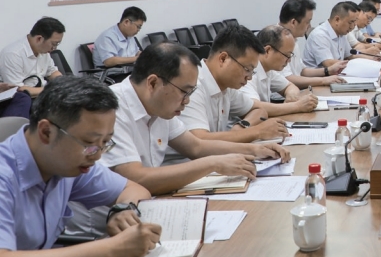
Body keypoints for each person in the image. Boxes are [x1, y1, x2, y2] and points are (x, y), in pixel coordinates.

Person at [66, 43, 290, 236]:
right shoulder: (112, 109)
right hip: (100, 232)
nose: (187, 101)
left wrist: (253, 150)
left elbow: (196, 146)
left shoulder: (159, 106)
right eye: (185, 92)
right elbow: (136, 178)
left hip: (143, 214)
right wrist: (214, 164)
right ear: (153, 83)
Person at [0, 75, 161, 257]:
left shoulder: (66, 163)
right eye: (89, 143)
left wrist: (122, 210)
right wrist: (112, 248)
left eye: (105, 143)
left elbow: (134, 189)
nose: (97, 155)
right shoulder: (5, 176)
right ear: (46, 132)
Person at [179, 25, 289, 144]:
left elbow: (259, 110)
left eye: (252, 71)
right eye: (247, 69)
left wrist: (242, 126)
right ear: (223, 59)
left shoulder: (226, 86)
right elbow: (199, 140)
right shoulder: (193, 86)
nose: (250, 77)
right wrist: (258, 132)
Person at [241, 25, 319, 117]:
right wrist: (297, 106)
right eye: (287, 55)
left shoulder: (268, 69)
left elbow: (289, 86)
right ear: (268, 50)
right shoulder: (248, 72)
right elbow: (254, 107)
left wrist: (291, 96)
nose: (289, 60)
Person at [277, 0, 346, 89]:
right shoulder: (277, 41)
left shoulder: (292, 38)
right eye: (307, 22)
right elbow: (288, 79)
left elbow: (302, 71)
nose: (309, 26)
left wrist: (328, 70)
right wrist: (323, 80)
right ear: (293, 22)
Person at [0, 17, 65, 97]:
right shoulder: (13, 54)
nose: (54, 48)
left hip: (43, 94)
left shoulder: (43, 50)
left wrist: (63, 83)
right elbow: (18, 90)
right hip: (24, 99)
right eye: (54, 44)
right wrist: (51, 90)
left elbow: (52, 72)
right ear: (39, 39)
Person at [303, 1, 362, 69]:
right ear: (337, 20)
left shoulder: (341, 33)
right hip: (319, 75)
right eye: (350, 22)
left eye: (354, 22)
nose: (352, 27)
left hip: (335, 73)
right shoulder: (320, 35)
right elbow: (328, 63)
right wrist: (357, 66)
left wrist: (370, 60)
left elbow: (350, 55)